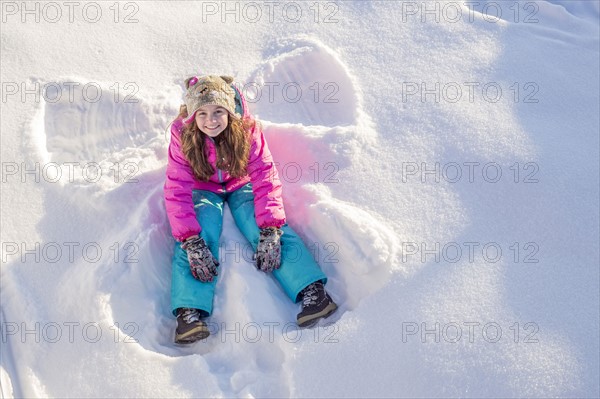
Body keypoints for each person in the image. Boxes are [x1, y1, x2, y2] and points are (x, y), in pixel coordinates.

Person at [164, 74, 338, 344]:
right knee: (202, 233)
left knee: (261, 226)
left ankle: (313, 291)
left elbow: (265, 174)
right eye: (203, 113)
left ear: (230, 110)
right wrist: (189, 239)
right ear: (192, 116)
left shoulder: (246, 129)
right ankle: (189, 313)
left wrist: (271, 228)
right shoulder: (182, 134)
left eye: (218, 111)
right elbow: (176, 186)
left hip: (240, 181)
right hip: (203, 187)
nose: (211, 120)